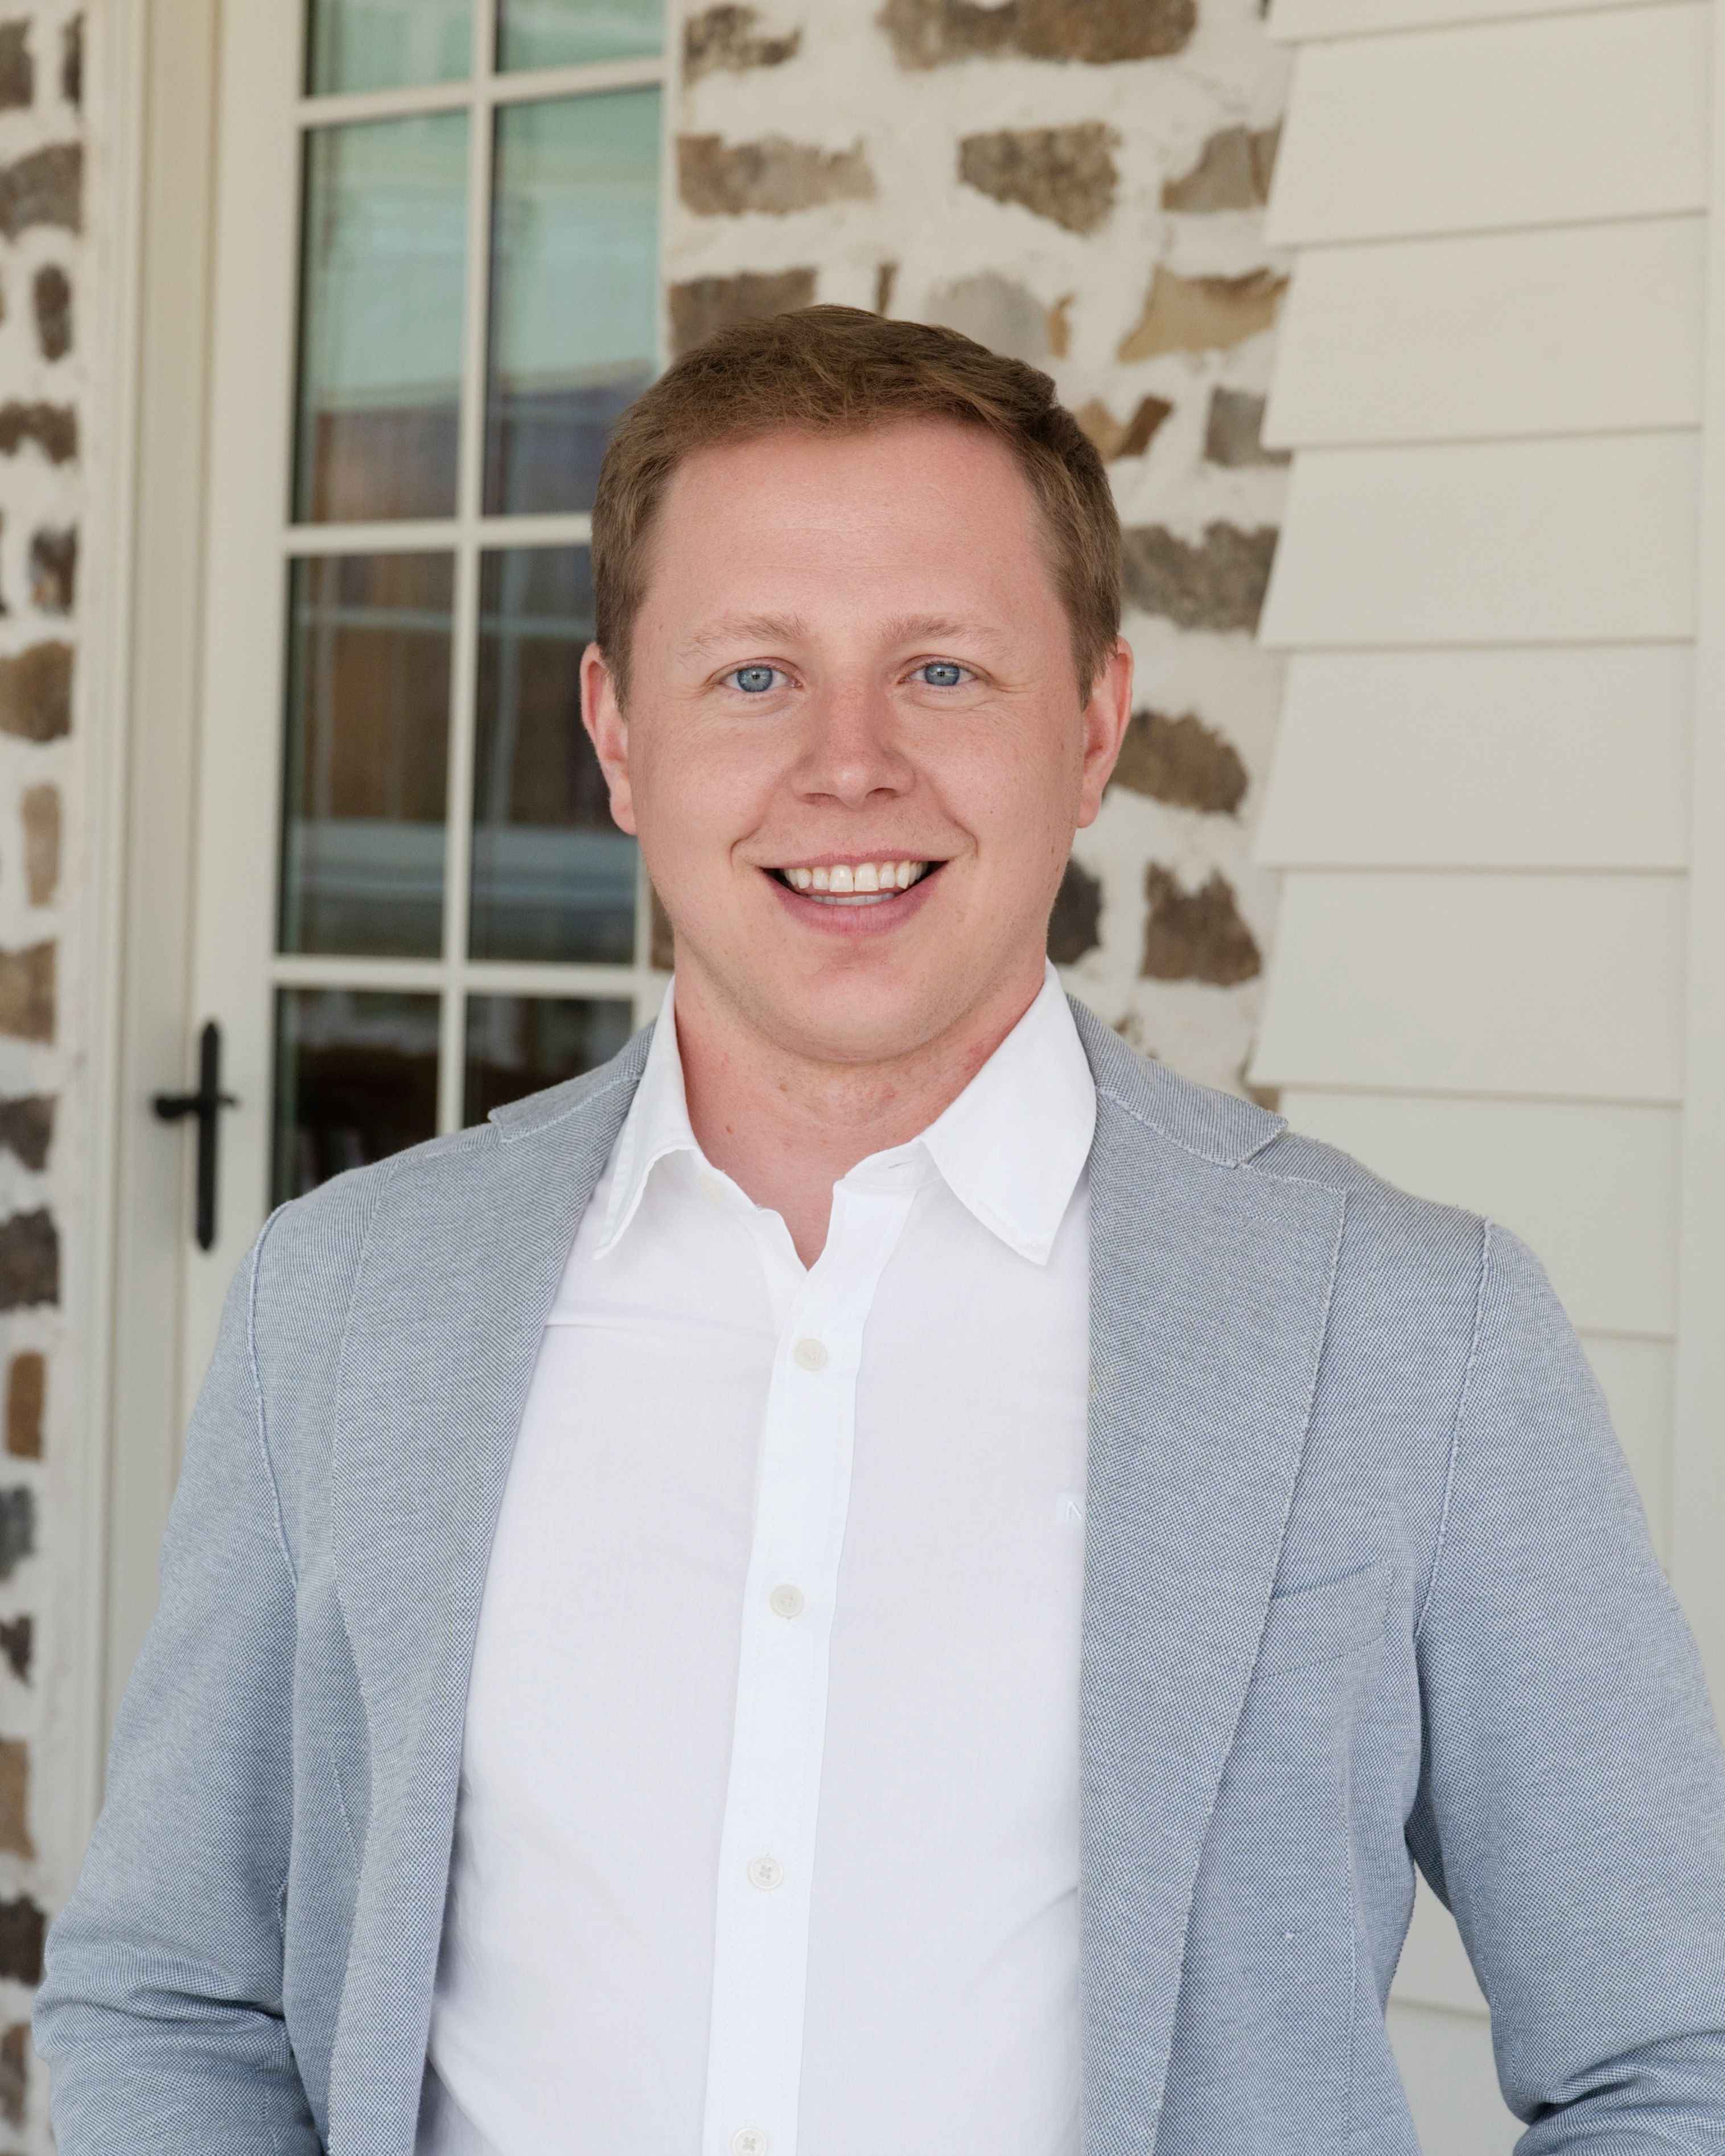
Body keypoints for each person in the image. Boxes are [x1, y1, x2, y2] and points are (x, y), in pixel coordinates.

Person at [35, 307, 1725, 2154]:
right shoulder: (351, 1300)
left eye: (942, 671)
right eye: (754, 676)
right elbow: (176, 2002)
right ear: (617, 734)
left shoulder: (1411, 1331)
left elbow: (1673, 2054)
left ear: (1092, 727)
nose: (850, 769)